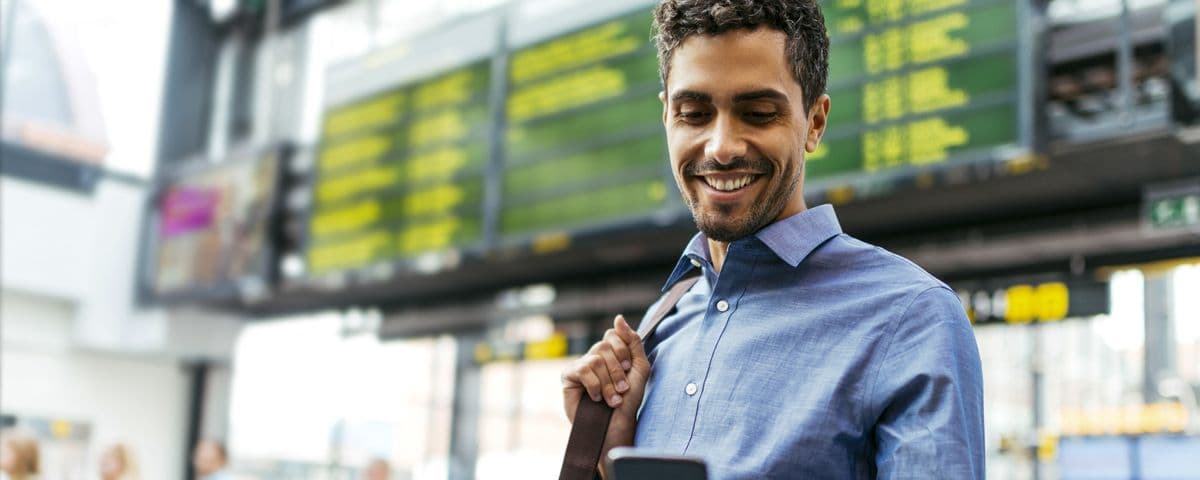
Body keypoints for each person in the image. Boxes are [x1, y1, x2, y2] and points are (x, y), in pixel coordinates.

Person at [560, 1, 985, 478]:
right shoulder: (662, 327)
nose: (721, 147)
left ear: (815, 122)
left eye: (759, 113)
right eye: (695, 113)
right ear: (667, 117)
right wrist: (611, 451)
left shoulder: (911, 318)